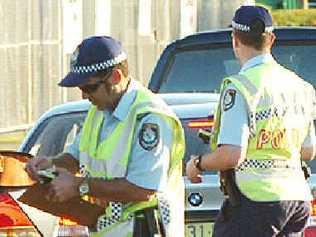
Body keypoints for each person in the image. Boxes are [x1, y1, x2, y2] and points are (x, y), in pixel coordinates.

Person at [26, 36, 185, 237]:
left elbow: (144, 189)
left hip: (144, 230)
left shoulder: (150, 118)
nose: (84, 96)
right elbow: (76, 156)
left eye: (89, 88)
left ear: (116, 77)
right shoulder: (99, 110)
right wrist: (51, 164)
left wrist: (78, 186)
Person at [186, 5, 316, 237]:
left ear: (235, 40)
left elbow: (232, 155)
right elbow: (308, 150)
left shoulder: (241, 88)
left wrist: (197, 164)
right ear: (272, 39)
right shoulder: (300, 87)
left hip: (256, 201)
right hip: (297, 199)